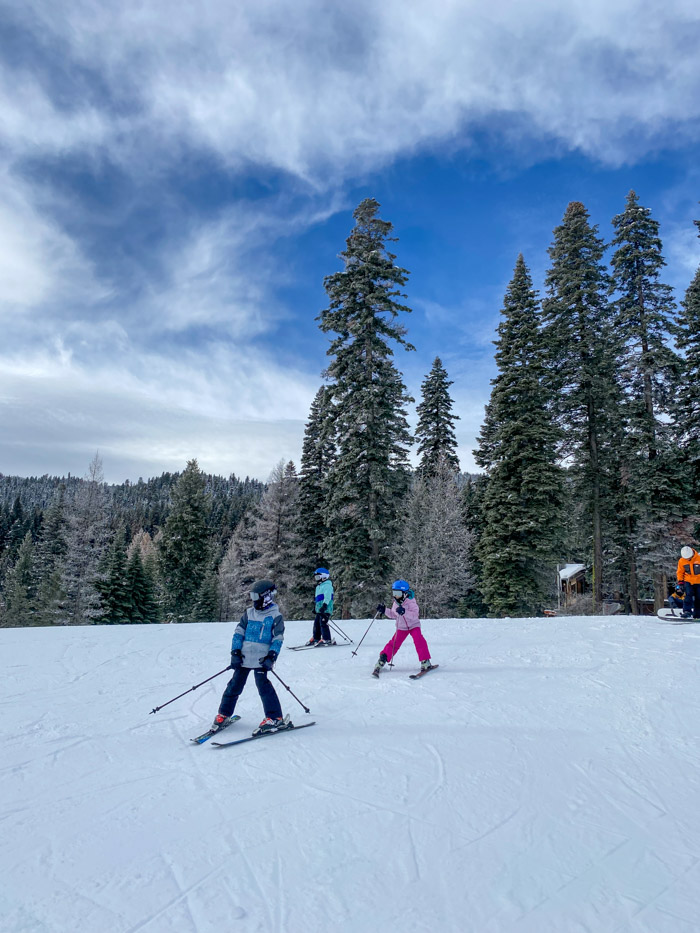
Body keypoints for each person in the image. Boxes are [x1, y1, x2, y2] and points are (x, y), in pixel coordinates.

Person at [211, 579, 290, 735]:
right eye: (252, 596)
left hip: (262, 660)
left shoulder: (275, 616)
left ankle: (275, 718)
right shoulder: (248, 613)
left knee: (263, 687)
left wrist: (272, 656)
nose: (254, 600)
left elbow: (278, 639)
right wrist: (235, 652)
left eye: (256, 596)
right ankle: (224, 714)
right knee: (234, 685)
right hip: (244, 658)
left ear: (267, 596)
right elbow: (238, 633)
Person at [372, 579, 434, 676]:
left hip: (413, 625)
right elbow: (393, 614)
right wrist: (384, 610)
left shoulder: (411, 602)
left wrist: (405, 612)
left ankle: (425, 661)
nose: (395, 596)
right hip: (402, 627)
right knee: (394, 643)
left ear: (405, 593)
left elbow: (415, 615)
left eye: (398, 593)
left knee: (419, 640)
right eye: (394, 593)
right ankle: (383, 659)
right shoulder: (396, 603)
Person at [305, 567, 335, 646]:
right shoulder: (319, 587)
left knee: (323, 623)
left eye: (318, 577)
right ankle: (316, 638)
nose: (316, 579)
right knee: (316, 624)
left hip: (326, 609)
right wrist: (316, 608)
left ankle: (326, 639)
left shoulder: (327, 585)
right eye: (316, 577)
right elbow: (318, 599)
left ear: (324, 576)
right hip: (320, 610)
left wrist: (324, 605)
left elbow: (327, 597)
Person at [677, 545, 700, 619]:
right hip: (688, 581)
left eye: (689, 558)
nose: (688, 559)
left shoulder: (699, 558)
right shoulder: (682, 561)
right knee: (688, 596)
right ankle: (687, 611)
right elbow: (680, 572)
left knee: (699, 598)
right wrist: (680, 582)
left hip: (699, 582)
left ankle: (698, 614)